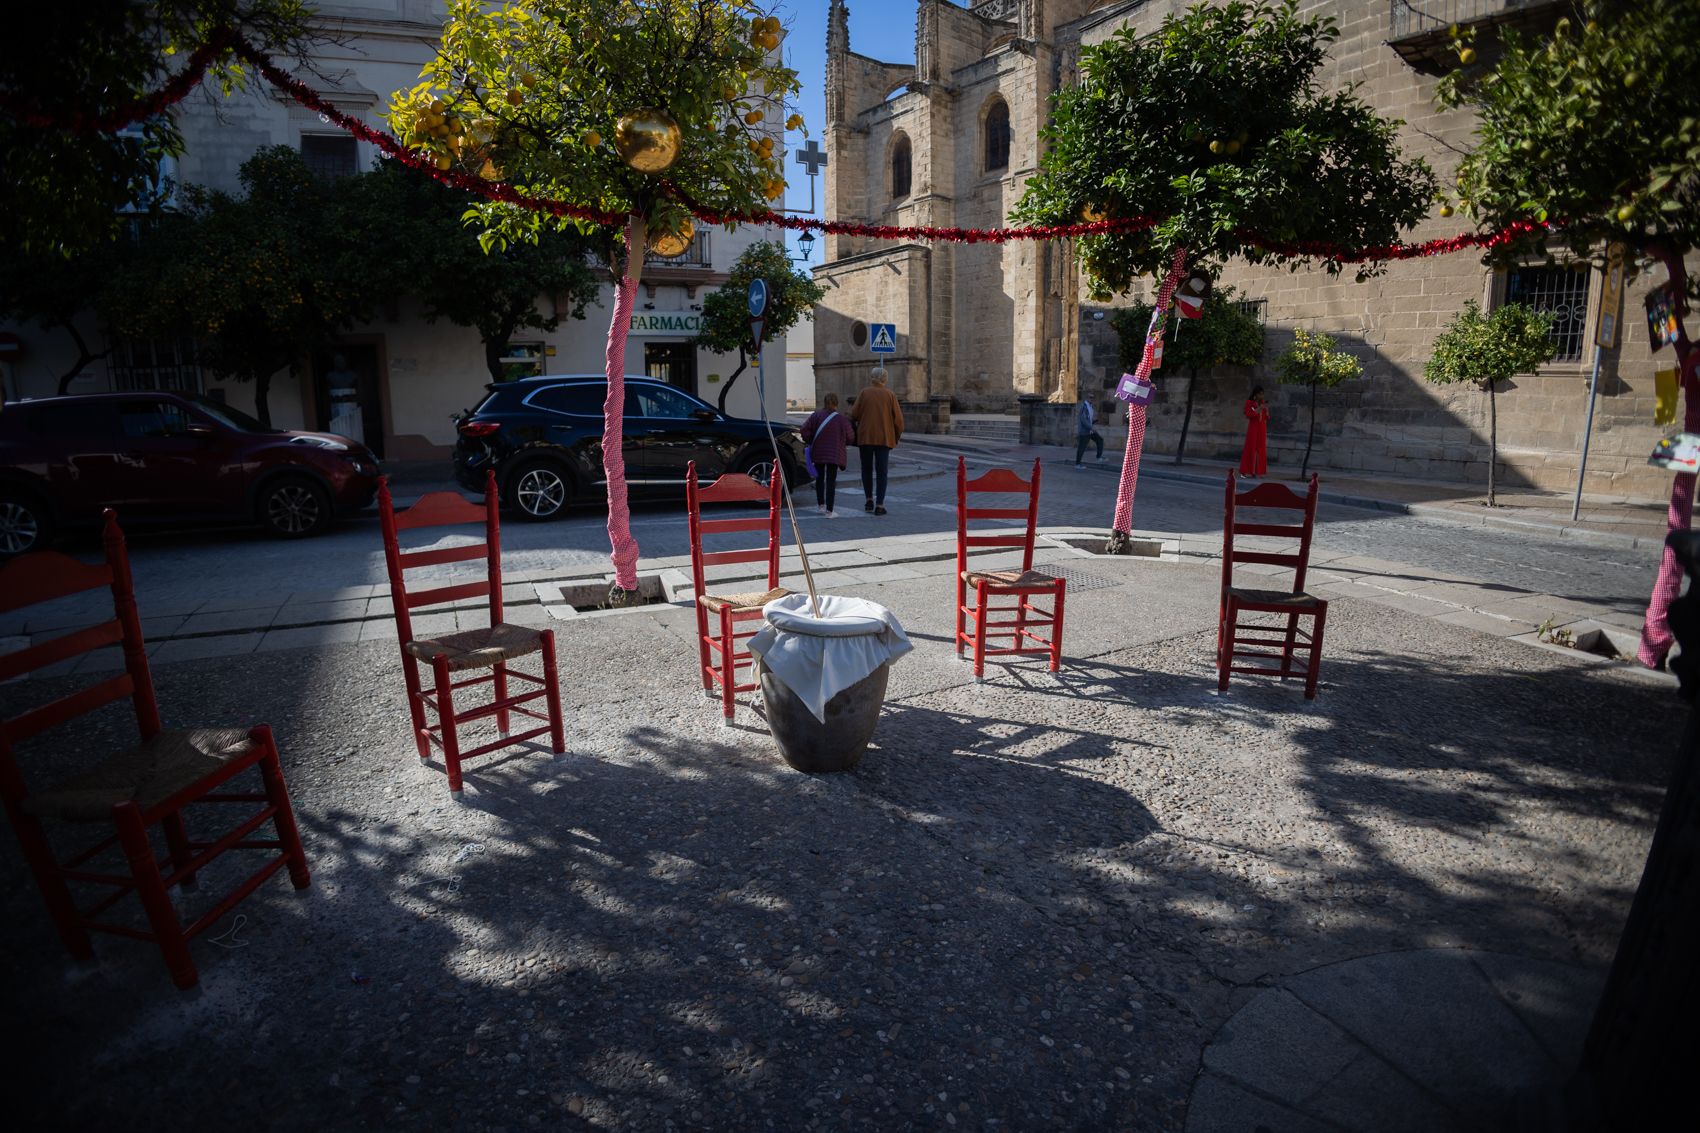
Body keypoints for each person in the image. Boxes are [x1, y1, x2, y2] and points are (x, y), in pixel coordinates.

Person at [850, 364, 904, 515]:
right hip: (884, 439)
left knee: (866, 470)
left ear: (872, 378)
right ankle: (880, 505)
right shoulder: (890, 395)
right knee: (882, 472)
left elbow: (853, 414)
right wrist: (896, 436)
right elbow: (899, 421)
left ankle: (868, 500)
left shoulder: (864, 393)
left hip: (865, 437)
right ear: (884, 379)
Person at [800, 392, 854, 517]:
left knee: (819, 478)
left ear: (824, 402)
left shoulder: (816, 416)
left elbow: (804, 430)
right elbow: (851, 437)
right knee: (831, 480)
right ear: (836, 403)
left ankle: (821, 505)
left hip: (818, 452)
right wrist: (843, 441)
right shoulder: (842, 419)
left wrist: (810, 439)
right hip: (835, 453)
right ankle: (830, 510)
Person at [1240, 385, 1270, 478]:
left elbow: (1266, 417)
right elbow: (1249, 414)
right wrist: (1259, 408)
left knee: (1261, 449)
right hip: (1253, 428)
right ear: (1255, 394)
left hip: (1262, 428)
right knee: (1251, 448)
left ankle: (1258, 471)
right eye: (1260, 394)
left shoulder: (1262, 403)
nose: (1262, 396)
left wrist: (1266, 410)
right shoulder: (1250, 403)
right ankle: (1245, 471)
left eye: (1263, 394)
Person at [1075, 395, 1104, 468]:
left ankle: (1099, 457)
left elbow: (1088, 419)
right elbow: (1083, 420)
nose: (1092, 399)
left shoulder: (1090, 407)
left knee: (1100, 440)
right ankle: (1077, 464)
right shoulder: (1084, 407)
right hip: (1085, 431)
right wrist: (1091, 427)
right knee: (1082, 447)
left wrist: (1095, 421)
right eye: (1090, 397)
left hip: (1089, 431)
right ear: (1086, 398)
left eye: (1093, 397)